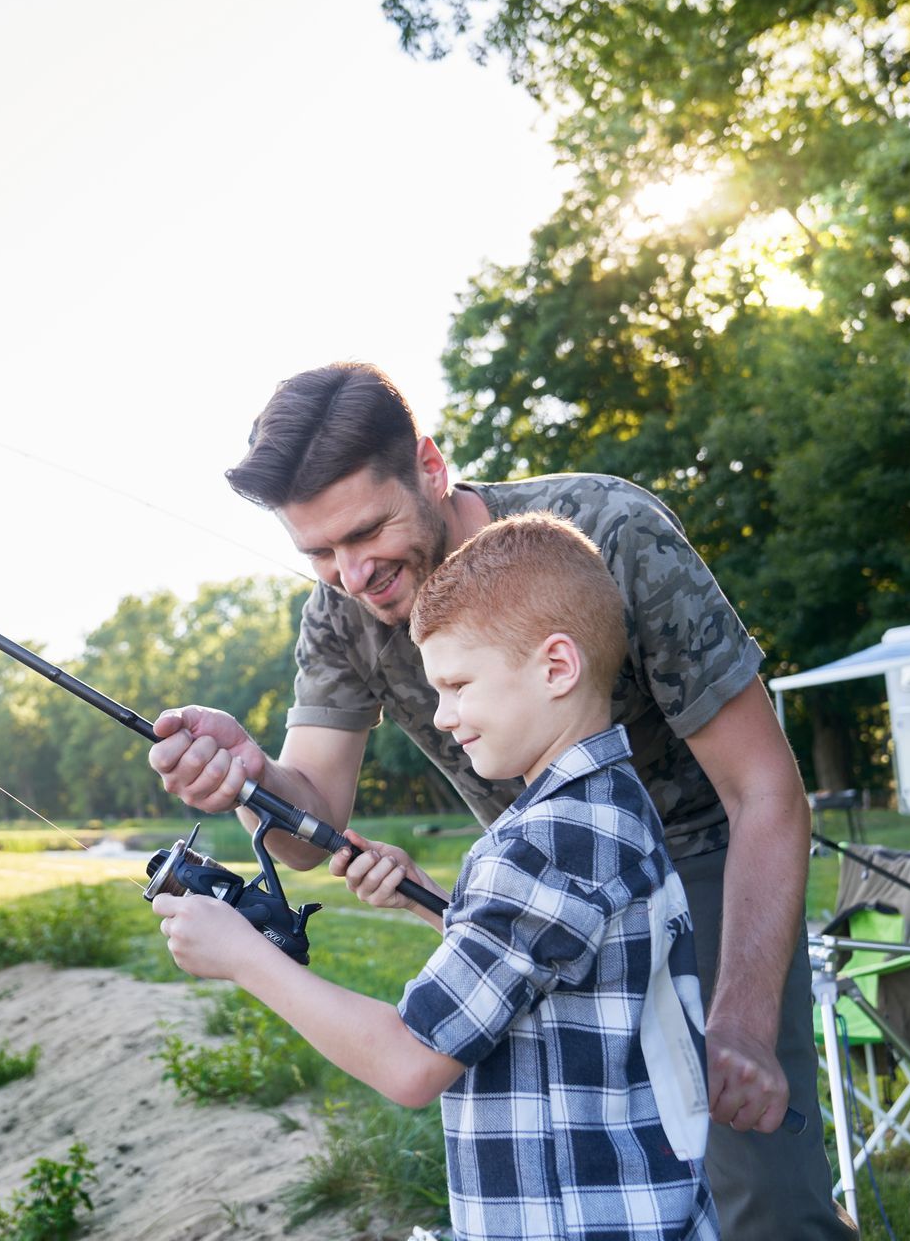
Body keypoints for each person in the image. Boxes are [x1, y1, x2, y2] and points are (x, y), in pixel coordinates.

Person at [148, 363, 850, 1238]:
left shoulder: (610, 531)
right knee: (594, 1160)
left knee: (760, 1195)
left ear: (431, 468)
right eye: (319, 552)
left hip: (702, 863)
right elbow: (306, 823)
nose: (353, 575)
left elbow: (765, 788)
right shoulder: (339, 613)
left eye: (367, 531)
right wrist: (245, 775)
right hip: (532, 883)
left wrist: (740, 1019)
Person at [155, 513, 719, 1241]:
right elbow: (559, 970)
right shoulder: (611, 803)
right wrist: (442, 907)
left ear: (556, 667)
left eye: (457, 685)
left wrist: (245, 957)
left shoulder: (543, 842)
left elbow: (410, 1062)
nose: (443, 716)